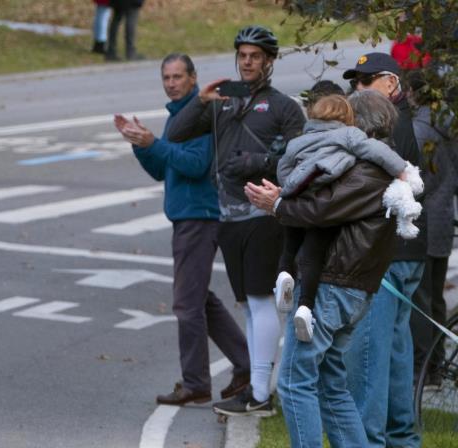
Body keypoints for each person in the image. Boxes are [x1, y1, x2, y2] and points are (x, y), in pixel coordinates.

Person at [246, 89, 400, 448]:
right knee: (331, 382)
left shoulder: (367, 171)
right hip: (350, 289)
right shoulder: (376, 167)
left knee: (295, 381)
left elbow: (319, 211)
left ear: (361, 127)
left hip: (334, 287)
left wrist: (276, 204)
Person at [166, 25, 306, 416]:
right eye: (242, 56)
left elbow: (300, 159)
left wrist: (259, 163)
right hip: (226, 215)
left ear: (270, 61)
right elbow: (175, 134)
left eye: (255, 56)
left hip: (264, 215)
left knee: (262, 301)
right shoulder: (222, 101)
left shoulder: (283, 107)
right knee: (247, 304)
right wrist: (200, 102)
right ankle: (256, 389)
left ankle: (261, 394)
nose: (247, 62)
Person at [114, 53, 251, 406]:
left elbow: (194, 164)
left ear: (193, 78)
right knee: (200, 299)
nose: (172, 83)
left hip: (199, 216)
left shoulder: (201, 113)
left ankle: (196, 384)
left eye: (178, 77)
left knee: (187, 305)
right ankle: (246, 363)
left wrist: (154, 144)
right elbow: (164, 170)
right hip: (187, 215)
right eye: (167, 77)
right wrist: (140, 145)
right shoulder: (180, 114)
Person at [274, 94, 419, 342]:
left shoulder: (301, 140)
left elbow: (283, 166)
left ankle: (283, 276)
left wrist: (284, 195)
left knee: (291, 246)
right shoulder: (351, 138)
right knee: (313, 252)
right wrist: (402, 171)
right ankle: (305, 306)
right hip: (324, 198)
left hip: (299, 194)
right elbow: (325, 210)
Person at [341, 52, 426, 448]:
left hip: (387, 253)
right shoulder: (402, 121)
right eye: (355, 81)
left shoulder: (388, 126)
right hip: (407, 251)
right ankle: (401, 437)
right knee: (395, 345)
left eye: (365, 80)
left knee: (370, 347)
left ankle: (368, 446)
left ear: (390, 83)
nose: (356, 89)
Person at [407, 71, 458, 390]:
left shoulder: (416, 130)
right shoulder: (451, 127)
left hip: (422, 220)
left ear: (413, 94)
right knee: (436, 297)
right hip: (443, 220)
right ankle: (438, 364)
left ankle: (425, 368)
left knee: (419, 298)